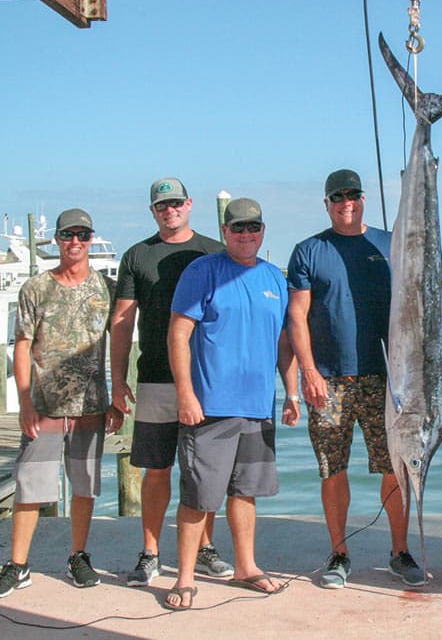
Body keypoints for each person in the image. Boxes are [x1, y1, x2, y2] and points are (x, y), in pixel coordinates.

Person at [286, 169, 425, 589]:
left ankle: (399, 551)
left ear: (363, 199)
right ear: (327, 203)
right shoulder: (308, 250)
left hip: (387, 381)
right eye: (338, 196)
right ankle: (339, 552)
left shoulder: (389, 243)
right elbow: (296, 315)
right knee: (333, 469)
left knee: (396, 469)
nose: (347, 202)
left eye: (353, 195)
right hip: (328, 381)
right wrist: (308, 371)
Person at [165, 197, 299, 610]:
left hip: (258, 407)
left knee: (246, 492)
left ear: (263, 230)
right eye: (238, 228)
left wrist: (291, 393)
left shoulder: (274, 278)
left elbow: (282, 342)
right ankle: (185, 577)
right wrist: (186, 394)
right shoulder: (202, 271)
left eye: (253, 228)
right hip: (209, 408)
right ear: (224, 231)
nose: (246, 234)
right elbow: (178, 334)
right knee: (198, 496)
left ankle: (246, 566)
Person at [0, 208, 120, 599]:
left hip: (92, 407)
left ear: (91, 239)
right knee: (29, 487)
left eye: (83, 235)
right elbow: (22, 346)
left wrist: (117, 394)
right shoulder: (35, 288)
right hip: (44, 409)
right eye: (67, 235)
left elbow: (119, 344)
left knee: (84, 488)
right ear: (57, 240)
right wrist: (25, 402)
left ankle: (78, 556)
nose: (75, 242)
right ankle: (18, 564)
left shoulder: (106, 289)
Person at [109, 178, 229, 588]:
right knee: (156, 469)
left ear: (189, 204)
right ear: (153, 211)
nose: (170, 209)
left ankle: (206, 548)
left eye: (176, 202)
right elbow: (123, 323)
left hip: (208, 382)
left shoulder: (214, 251)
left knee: (204, 472)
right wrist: (117, 379)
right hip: (155, 379)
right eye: (162, 205)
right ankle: (151, 552)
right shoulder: (137, 256)